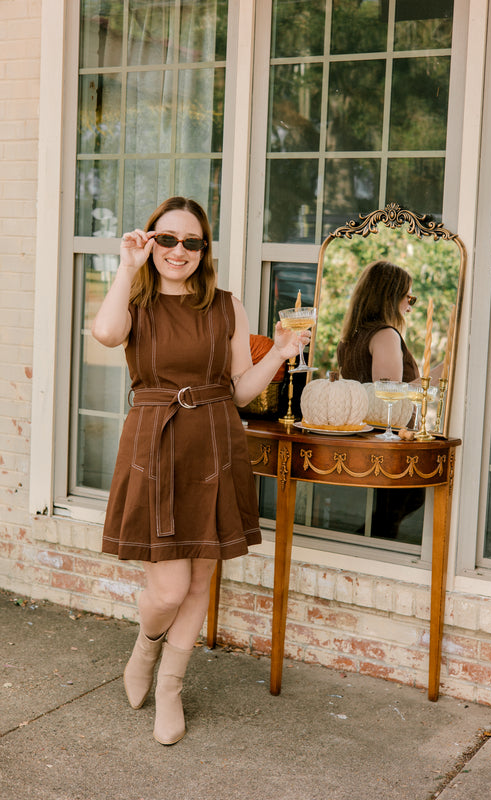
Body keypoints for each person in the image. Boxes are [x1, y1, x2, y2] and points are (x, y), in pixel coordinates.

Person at [91, 196, 307, 745]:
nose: (178, 251)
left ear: (204, 249)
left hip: (214, 440)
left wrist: (279, 352)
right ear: (150, 241)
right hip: (155, 443)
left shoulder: (226, 306)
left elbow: (237, 390)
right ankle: (144, 647)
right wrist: (126, 266)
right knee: (167, 589)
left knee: (199, 581)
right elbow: (106, 335)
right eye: (167, 239)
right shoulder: (135, 300)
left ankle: (170, 687)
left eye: (191, 241)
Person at [337, 260, 424, 539]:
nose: (410, 306)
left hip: (364, 441)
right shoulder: (385, 335)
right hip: (389, 444)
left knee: (387, 517)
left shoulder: (350, 337)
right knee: (392, 516)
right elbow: (388, 397)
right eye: (408, 297)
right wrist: (440, 375)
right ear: (390, 296)